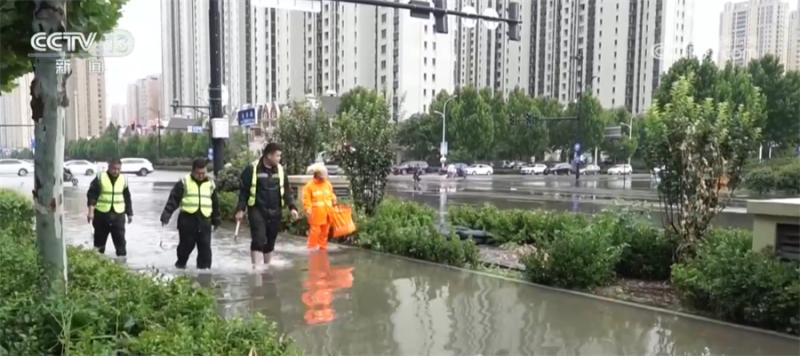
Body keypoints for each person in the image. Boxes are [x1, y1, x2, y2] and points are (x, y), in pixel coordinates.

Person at [236, 143, 299, 268]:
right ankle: (256, 268)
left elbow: (287, 191)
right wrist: (240, 209)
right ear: (268, 155)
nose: (279, 158)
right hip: (257, 209)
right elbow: (244, 191)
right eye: (277, 156)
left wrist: (292, 207)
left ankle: (267, 267)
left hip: (275, 210)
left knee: (270, 241)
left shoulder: (280, 170)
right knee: (259, 238)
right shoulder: (252, 169)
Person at [160, 159, 220, 269]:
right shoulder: (184, 182)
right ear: (193, 171)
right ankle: (180, 267)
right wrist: (166, 215)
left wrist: (216, 219)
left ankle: (204, 275)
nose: (201, 176)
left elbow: (215, 203)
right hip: (187, 221)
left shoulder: (211, 184)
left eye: (203, 173)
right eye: (198, 173)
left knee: (205, 250)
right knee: (185, 248)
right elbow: (173, 200)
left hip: (205, 220)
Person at [86, 158, 132, 257]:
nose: (116, 171)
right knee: (99, 245)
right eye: (114, 169)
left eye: (118, 169)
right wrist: (91, 212)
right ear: (109, 167)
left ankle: (121, 267)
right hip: (101, 215)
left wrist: (130, 213)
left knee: (121, 245)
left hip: (118, 215)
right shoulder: (100, 177)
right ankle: (97, 264)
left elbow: (127, 197)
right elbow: (92, 195)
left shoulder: (123, 179)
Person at [302, 163, 336, 250]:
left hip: (327, 213)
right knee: (315, 232)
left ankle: (322, 247)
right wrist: (308, 209)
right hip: (316, 214)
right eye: (324, 173)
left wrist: (334, 198)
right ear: (318, 174)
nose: (326, 175)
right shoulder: (309, 186)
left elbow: (331, 194)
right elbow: (307, 199)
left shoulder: (327, 184)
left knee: (325, 232)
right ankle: (312, 247)